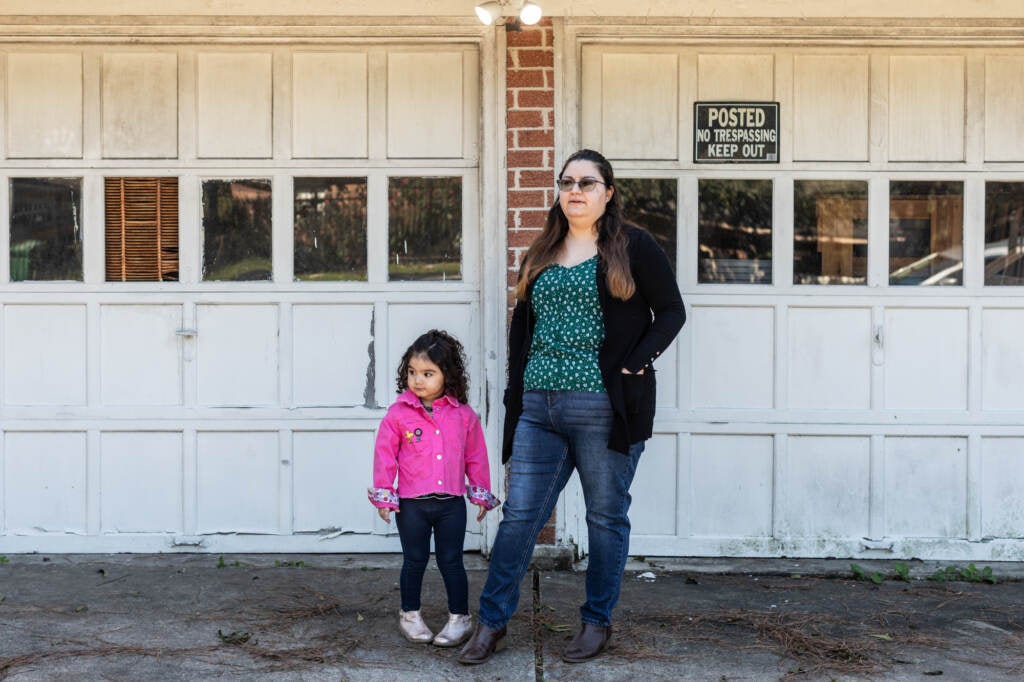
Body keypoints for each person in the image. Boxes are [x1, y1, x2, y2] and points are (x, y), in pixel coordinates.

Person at [459, 149, 686, 665]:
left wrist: (635, 363)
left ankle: (596, 622)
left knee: (606, 518)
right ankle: (491, 623)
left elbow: (671, 311)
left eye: (587, 182)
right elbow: (524, 328)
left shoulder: (633, 247)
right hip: (539, 405)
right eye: (566, 182)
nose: (575, 190)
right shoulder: (543, 250)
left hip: (602, 406)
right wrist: (516, 396)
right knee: (519, 517)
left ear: (608, 192)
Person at [368, 329, 500, 648]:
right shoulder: (398, 414)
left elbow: (475, 456)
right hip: (412, 505)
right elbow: (385, 456)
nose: (418, 380)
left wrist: (480, 491)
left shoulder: (463, 415)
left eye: (428, 373)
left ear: (447, 375)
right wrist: (384, 494)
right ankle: (410, 615)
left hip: (450, 505)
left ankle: (460, 619)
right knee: (414, 559)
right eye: (412, 372)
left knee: (450, 560)